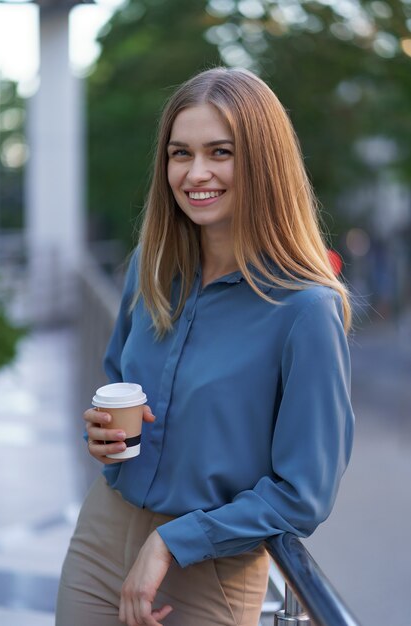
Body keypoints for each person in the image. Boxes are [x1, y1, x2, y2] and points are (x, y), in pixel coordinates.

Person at [56, 67, 355, 626]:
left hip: (207, 570)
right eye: (180, 153)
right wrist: (98, 430)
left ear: (263, 163)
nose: (196, 173)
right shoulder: (150, 267)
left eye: (221, 152)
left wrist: (173, 541)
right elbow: (115, 380)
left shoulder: (305, 310)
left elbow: (305, 492)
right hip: (100, 537)